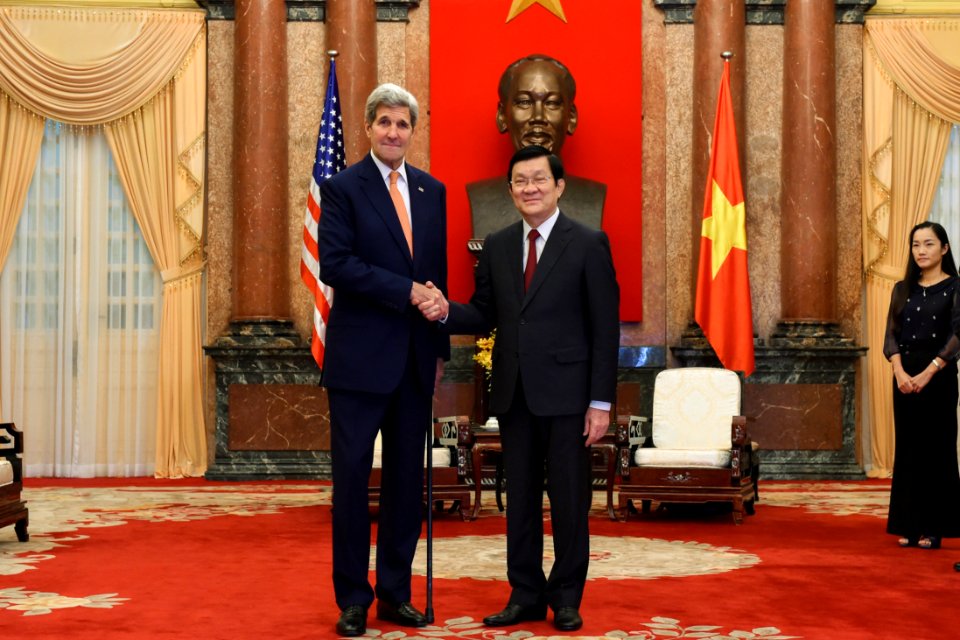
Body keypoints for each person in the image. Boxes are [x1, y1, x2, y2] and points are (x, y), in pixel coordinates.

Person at [426, 145, 619, 632]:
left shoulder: (589, 243)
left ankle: (568, 596)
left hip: (571, 398)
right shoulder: (497, 244)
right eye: (519, 181)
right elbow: (485, 311)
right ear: (510, 189)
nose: (528, 188)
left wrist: (600, 402)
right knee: (520, 502)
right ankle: (526, 593)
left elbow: (605, 328)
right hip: (514, 395)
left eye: (538, 180)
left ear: (559, 186)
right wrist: (444, 309)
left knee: (572, 501)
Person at [317, 82, 450, 637]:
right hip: (359, 361)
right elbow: (337, 265)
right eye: (385, 122)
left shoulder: (430, 190)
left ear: (413, 131)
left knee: (405, 485)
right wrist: (407, 292)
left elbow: (435, 274)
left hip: (415, 362)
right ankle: (353, 598)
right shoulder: (344, 188)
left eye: (403, 124)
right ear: (370, 127)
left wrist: (439, 343)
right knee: (351, 481)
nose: (394, 132)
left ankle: (395, 592)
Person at [467, 54, 606, 241]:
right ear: (502, 116)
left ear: (571, 117)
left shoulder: (592, 198)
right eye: (524, 102)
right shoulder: (482, 199)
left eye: (552, 103)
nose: (538, 117)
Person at [883, 221, 960, 551]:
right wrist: (899, 372)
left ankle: (934, 526)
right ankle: (909, 525)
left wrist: (929, 373)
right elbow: (891, 336)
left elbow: (958, 336)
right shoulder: (902, 289)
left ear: (944, 249)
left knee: (937, 450)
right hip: (904, 376)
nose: (921, 251)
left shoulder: (956, 287)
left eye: (928, 244)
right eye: (916, 245)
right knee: (910, 450)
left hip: (939, 375)